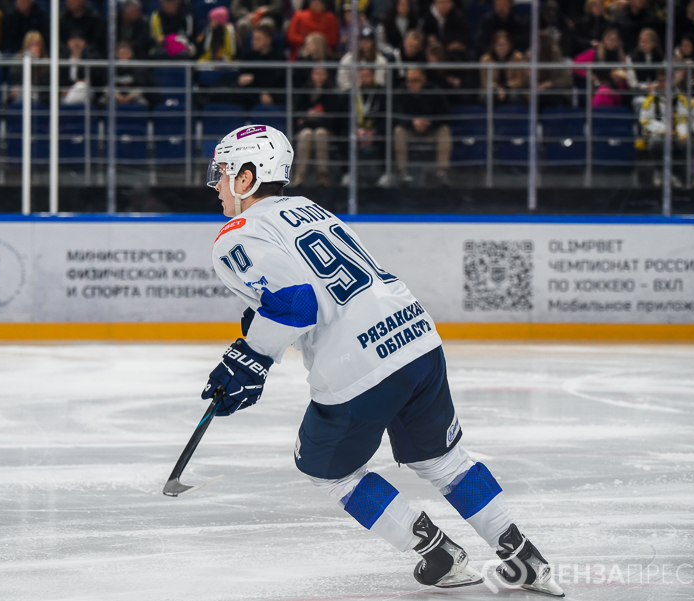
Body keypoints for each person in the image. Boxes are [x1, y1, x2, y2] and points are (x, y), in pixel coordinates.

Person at [202, 123, 565, 598]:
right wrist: (258, 330)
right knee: (445, 461)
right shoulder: (309, 209)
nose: (216, 183)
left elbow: (296, 304)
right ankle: (525, 559)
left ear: (247, 177)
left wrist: (250, 360)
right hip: (416, 337)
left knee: (326, 469)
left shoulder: (236, 234)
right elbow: (310, 292)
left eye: (223, 172)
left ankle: (438, 553)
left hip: (358, 364)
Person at [389, 67, 451, 185]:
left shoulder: (435, 91)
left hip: (431, 129)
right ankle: (402, 172)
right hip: (410, 129)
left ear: (424, 80)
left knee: (444, 130)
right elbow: (396, 116)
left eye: (415, 80)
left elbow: (445, 115)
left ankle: (442, 173)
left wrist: (429, 123)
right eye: (408, 80)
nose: (410, 84)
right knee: (398, 131)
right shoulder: (401, 92)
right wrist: (412, 123)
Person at [639, 71, 690, 187]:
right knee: (656, 143)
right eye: (661, 81)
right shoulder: (651, 99)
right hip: (657, 133)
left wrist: (682, 134)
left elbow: (683, 119)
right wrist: (665, 130)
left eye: (666, 80)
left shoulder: (680, 99)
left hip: (676, 133)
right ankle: (659, 171)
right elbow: (645, 120)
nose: (663, 84)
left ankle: (677, 175)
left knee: (687, 143)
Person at [292, 66, 342, 186]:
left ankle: (323, 175)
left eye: (322, 74)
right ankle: (300, 176)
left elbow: (334, 117)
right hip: (306, 127)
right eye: (317, 73)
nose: (319, 77)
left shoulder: (331, 94)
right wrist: (308, 115)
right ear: (312, 75)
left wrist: (318, 116)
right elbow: (296, 113)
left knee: (320, 133)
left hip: (325, 128)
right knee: (306, 134)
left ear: (327, 76)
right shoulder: (303, 92)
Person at [237, 21, 285, 109]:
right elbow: (243, 79)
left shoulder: (279, 58)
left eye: (258, 39)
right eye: (253, 39)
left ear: (268, 40)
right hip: (250, 95)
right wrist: (260, 92)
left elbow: (276, 80)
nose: (253, 42)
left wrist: (254, 79)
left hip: (273, 95)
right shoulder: (247, 56)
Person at [479, 30, 527, 106]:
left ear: (510, 45)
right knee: (488, 98)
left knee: (514, 98)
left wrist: (506, 88)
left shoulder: (518, 58)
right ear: (493, 45)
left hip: (513, 89)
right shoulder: (486, 59)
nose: (502, 48)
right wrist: (498, 89)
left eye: (505, 44)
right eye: (499, 45)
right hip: (493, 90)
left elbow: (520, 81)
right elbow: (485, 82)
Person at [626, 27, 663, 111]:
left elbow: (663, 78)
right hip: (638, 94)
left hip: (657, 92)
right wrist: (645, 87)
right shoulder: (631, 58)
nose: (642, 44)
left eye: (645, 42)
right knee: (643, 103)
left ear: (654, 43)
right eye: (641, 41)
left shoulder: (661, 58)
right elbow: (632, 83)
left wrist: (655, 85)